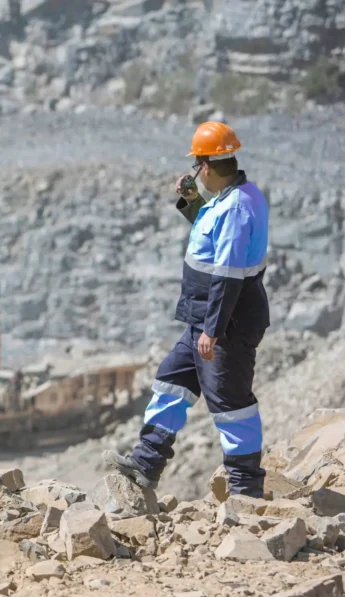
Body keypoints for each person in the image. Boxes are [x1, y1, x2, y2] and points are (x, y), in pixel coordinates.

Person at [105, 121, 270, 498]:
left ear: (207, 165)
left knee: (231, 405)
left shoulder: (238, 207)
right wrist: (194, 201)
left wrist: (213, 330)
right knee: (171, 381)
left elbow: (228, 276)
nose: (198, 172)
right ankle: (146, 463)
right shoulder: (229, 200)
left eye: (198, 166)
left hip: (226, 324)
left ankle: (246, 490)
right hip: (204, 319)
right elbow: (210, 238)